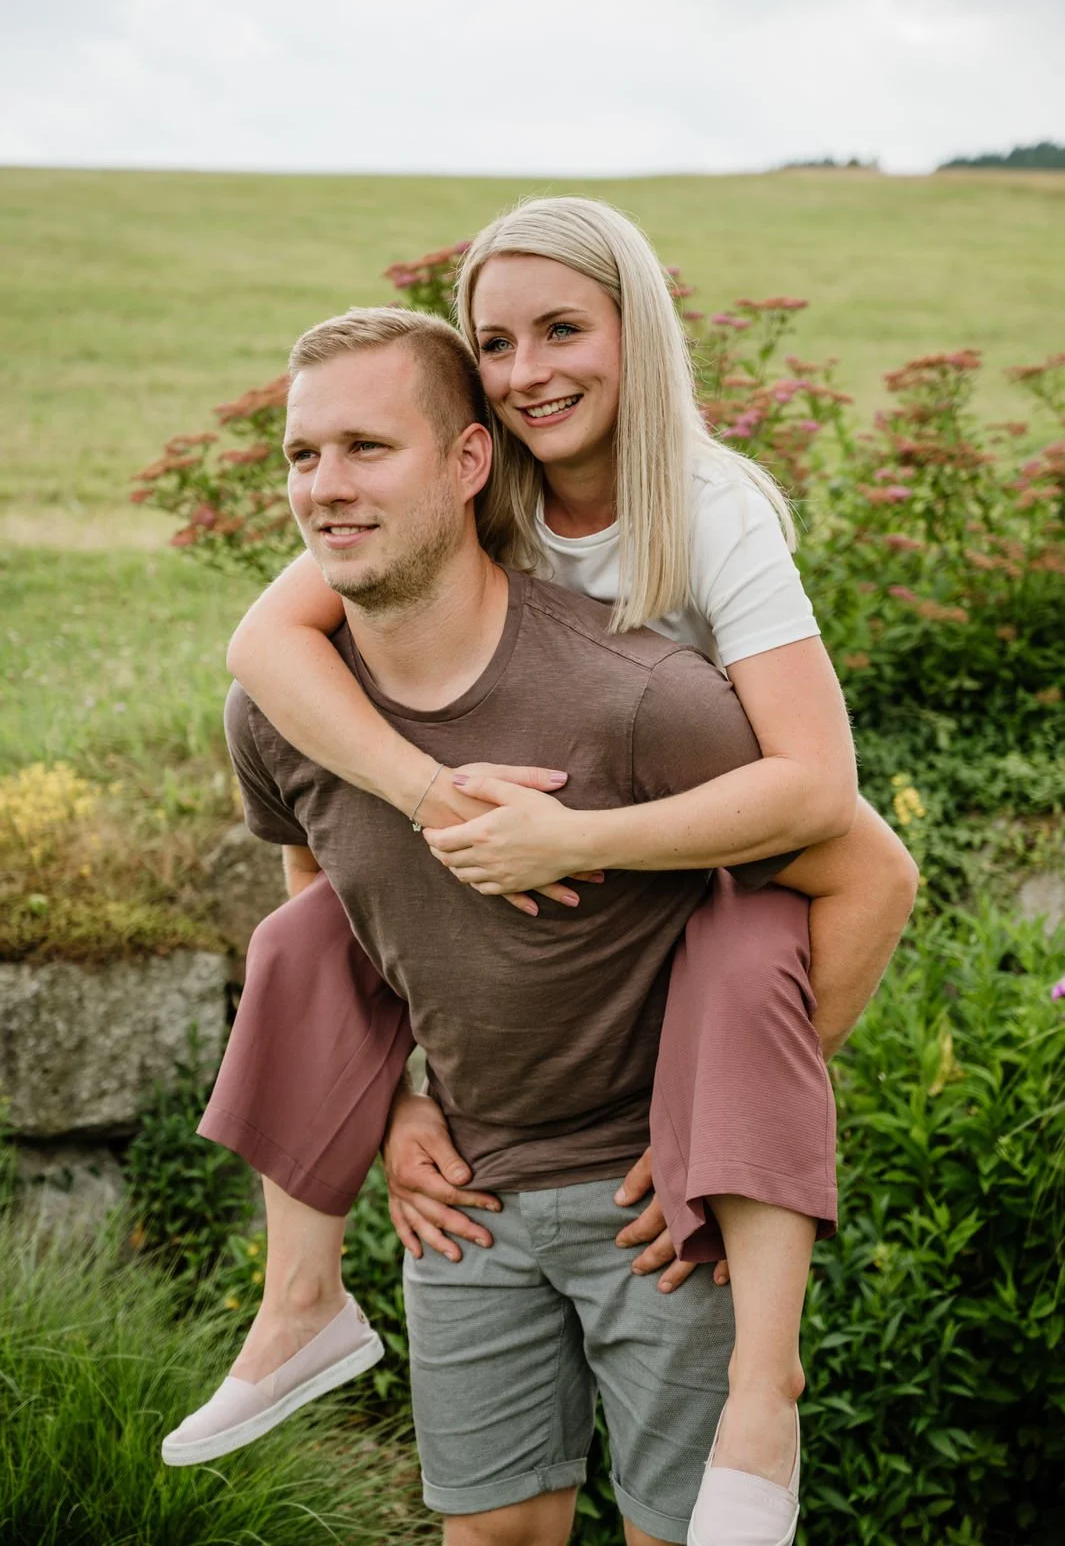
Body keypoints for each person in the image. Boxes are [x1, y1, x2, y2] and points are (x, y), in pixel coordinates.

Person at [178, 201, 915, 1539]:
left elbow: (827, 804)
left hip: (706, 857)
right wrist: (421, 798)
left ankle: (768, 1385)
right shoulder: (475, 486)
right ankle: (300, 1304)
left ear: (640, 335)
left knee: (751, 951)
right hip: (482, 1154)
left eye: (564, 330)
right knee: (303, 938)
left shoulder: (710, 513)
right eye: (495, 342)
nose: (528, 373)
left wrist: (717, 1118)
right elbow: (262, 653)